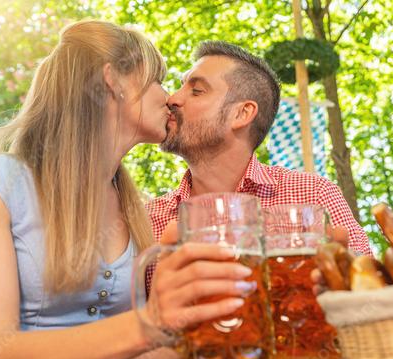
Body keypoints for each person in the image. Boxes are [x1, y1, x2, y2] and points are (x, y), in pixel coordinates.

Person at [0, 21, 255, 359]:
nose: (171, 99)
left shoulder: (136, 209)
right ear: (113, 81)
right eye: (157, 81)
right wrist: (151, 322)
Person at [149, 41, 372, 257]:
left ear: (242, 114)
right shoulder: (148, 219)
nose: (173, 98)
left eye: (197, 90)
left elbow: (371, 289)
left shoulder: (315, 196)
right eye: (180, 87)